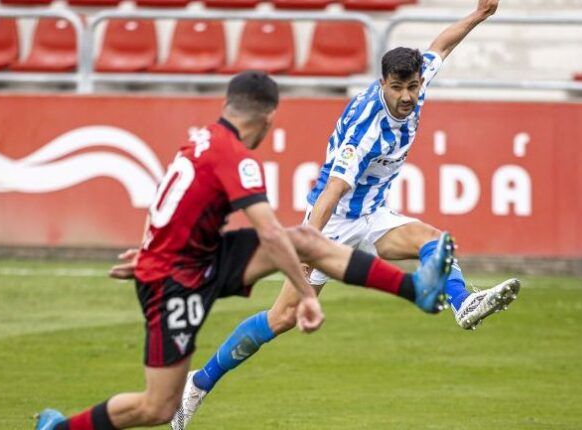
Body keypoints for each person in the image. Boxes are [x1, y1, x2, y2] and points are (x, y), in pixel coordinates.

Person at [35, 71, 455, 430]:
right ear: (269, 118)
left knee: (307, 238)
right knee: (158, 407)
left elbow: (172, 208)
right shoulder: (235, 159)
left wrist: (148, 253)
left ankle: (416, 288)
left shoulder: (200, 141)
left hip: (198, 258)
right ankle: (62, 427)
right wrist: (306, 295)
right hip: (175, 283)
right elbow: (270, 234)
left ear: (228, 105)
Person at [171, 1, 521, 428]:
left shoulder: (419, 78)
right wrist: (304, 246)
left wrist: (479, 15)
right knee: (281, 318)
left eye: (412, 86)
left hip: (372, 214)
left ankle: (463, 302)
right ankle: (198, 384)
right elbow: (331, 193)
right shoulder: (365, 128)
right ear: (383, 83)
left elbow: (440, 45)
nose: (407, 96)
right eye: (398, 88)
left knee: (434, 240)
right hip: (332, 224)